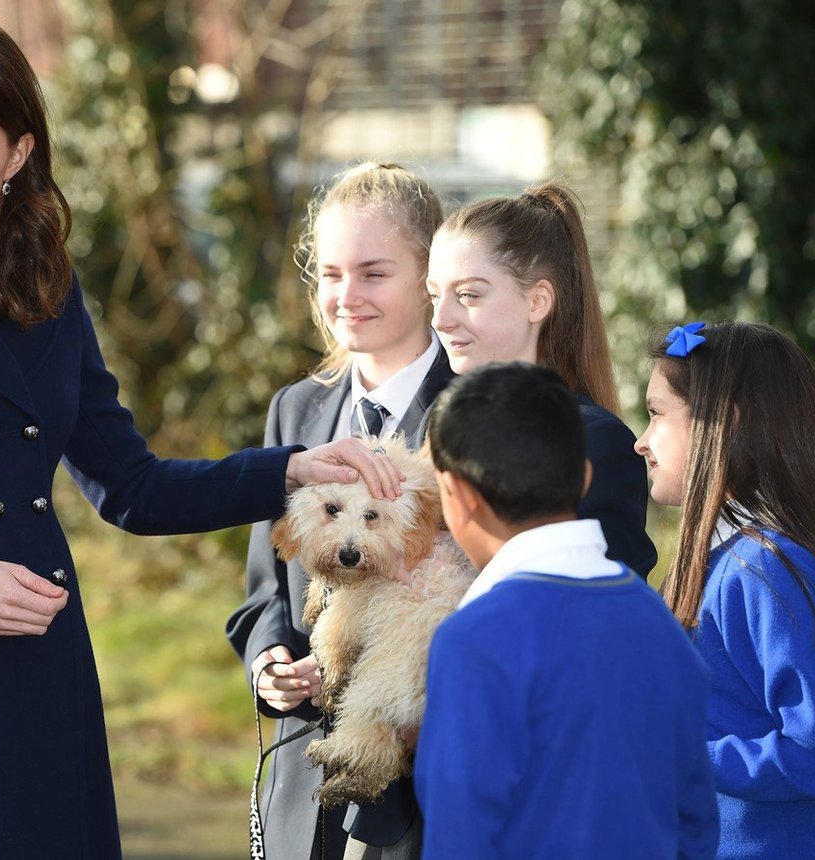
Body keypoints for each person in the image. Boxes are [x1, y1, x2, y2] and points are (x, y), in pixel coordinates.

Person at [0, 16, 400, 859]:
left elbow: (131, 487)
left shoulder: (43, 285)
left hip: (40, 664)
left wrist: (288, 470)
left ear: (18, 155)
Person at [226, 162, 450, 860]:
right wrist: (268, 662)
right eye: (329, 274)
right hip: (303, 783)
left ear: (428, 277)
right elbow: (268, 589)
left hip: (420, 794)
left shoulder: (474, 412)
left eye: (373, 273)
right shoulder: (296, 409)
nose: (345, 295)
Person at [417, 360, 718, 859]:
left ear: (456, 497)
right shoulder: (656, 617)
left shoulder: (475, 638)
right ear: (583, 479)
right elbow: (696, 820)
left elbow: (460, 831)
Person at [635, 321, 815, 858]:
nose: (640, 440)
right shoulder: (730, 563)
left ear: (720, 425)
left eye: (658, 414)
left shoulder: (768, 570)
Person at [426, 182, 656, 576]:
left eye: (467, 295)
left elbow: (606, 611)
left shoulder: (596, 442)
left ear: (537, 301)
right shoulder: (437, 421)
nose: (440, 318)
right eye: (433, 295)